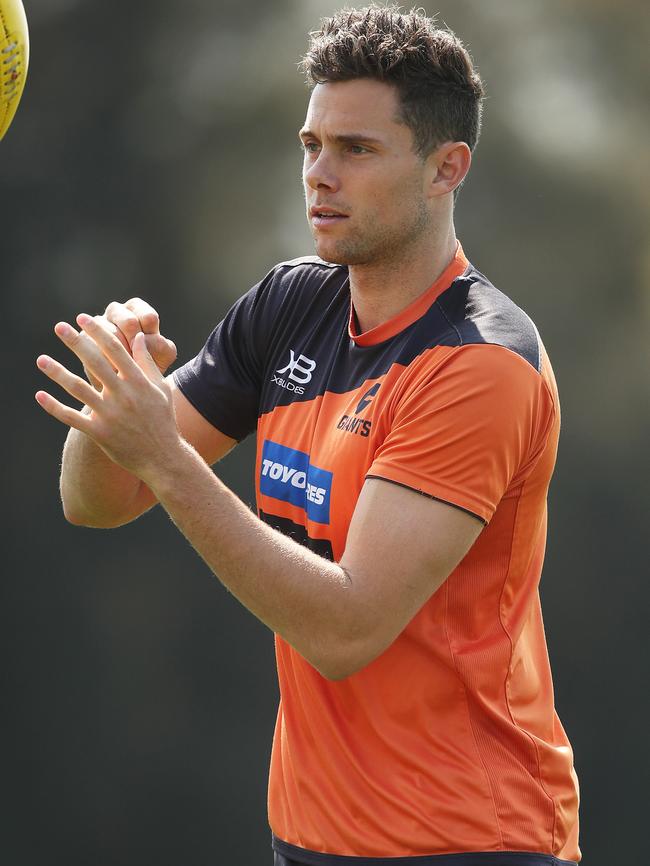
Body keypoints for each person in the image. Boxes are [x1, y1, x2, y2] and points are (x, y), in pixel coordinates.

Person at [35, 5, 581, 865]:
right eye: (311, 145)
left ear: (447, 168)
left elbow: (346, 630)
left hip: (471, 839)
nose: (320, 175)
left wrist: (166, 456)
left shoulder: (480, 365)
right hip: (311, 837)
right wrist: (119, 398)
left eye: (357, 150)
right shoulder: (290, 304)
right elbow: (95, 502)